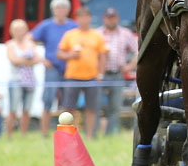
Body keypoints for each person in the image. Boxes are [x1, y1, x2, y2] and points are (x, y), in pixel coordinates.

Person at [57, 7, 108, 138]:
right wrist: (70, 55)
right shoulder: (70, 34)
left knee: (92, 109)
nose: (84, 19)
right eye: (81, 17)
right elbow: (59, 53)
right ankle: (67, 135)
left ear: (90, 18)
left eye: (86, 17)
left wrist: (100, 74)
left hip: (92, 77)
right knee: (68, 108)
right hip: (72, 76)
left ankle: (89, 136)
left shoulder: (97, 35)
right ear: (77, 19)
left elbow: (103, 55)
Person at [31, 0, 77, 137]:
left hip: (70, 68)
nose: (61, 11)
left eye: (64, 8)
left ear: (68, 10)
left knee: (68, 102)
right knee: (48, 100)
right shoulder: (46, 25)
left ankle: (67, 133)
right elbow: (29, 39)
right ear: (53, 10)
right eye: (58, 8)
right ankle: (44, 133)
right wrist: (41, 59)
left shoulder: (73, 26)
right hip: (52, 68)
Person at [98, 7, 137, 135]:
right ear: (104, 19)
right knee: (97, 105)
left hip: (117, 74)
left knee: (115, 107)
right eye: (109, 18)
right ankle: (94, 133)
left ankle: (111, 133)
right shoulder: (97, 33)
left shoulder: (125, 33)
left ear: (117, 18)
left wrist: (130, 66)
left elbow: (138, 50)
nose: (111, 20)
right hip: (99, 75)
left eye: (113, 17)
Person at [5, 19, 42, 136]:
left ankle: (23, 135)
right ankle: (9, 135)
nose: (20, 32)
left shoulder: (30, 44)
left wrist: (22, 60)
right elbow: (14, 61)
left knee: (26, 110)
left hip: (30, 80)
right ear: (12, 31)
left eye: (22, 29)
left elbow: (37, 59)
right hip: (16, 80)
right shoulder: (10, 44)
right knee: (13, 110)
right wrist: (28, 60)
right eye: (17, 30)